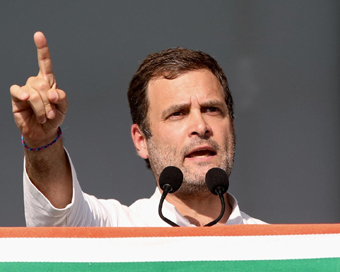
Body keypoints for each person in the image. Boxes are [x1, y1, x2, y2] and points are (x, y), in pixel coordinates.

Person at [10, 31, 265, 227]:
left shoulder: (278, 247)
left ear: (231, 127)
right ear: (141, 140)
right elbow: (59, 222)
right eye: (178, 113)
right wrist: (41, 140)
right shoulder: (117, 229)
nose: (200, 127)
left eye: (211, 109)